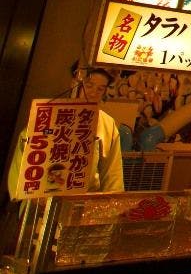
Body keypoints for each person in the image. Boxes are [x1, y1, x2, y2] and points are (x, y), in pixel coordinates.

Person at [7, 64, 124, 199]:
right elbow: (24, 153)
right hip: (40, 199)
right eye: (89, 86)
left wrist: (111, 203)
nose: (93, 93)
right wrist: (25, 195)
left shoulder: (107, 123)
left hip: (82, 200)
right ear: (75, 83)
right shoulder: (48, 115)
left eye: (100, 89)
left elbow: (112, 173)